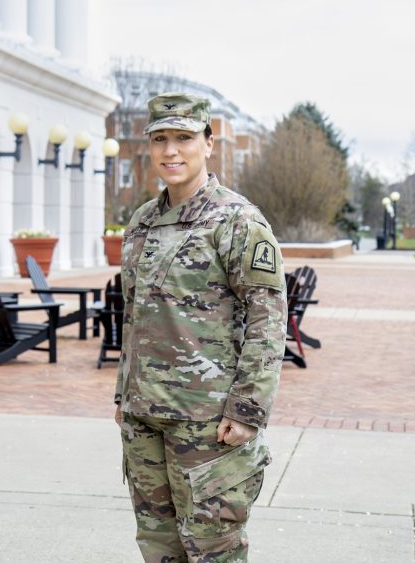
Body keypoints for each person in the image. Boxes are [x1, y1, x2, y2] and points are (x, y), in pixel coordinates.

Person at [114, 92, 287, 562]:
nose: (171, 151)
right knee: (158, 547)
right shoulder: (142, 222)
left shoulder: (236, 221)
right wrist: (122, 395)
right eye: (161, 139)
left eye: (184, 138)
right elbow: (134, 315)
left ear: (209, 144)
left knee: (214, 549)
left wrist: (248, 409)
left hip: (208, 424)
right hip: (143, 416)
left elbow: (267, 322)